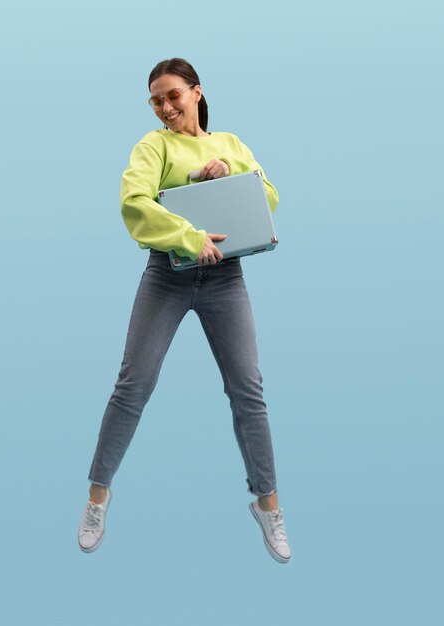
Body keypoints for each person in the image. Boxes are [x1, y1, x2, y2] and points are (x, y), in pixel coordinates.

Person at [78, 58, 291, 563]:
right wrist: (189, 232)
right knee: (133, 385)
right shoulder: (154, 146)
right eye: (156, 100)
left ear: (197, 92)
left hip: (226, 279)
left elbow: (270, 198)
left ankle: (269, 506)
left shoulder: (233, 144)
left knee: (248, 390)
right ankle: (97, 497)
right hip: (166, 276)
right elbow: (135, 203)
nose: (165, 107)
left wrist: (228, 172)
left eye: (173, 95)